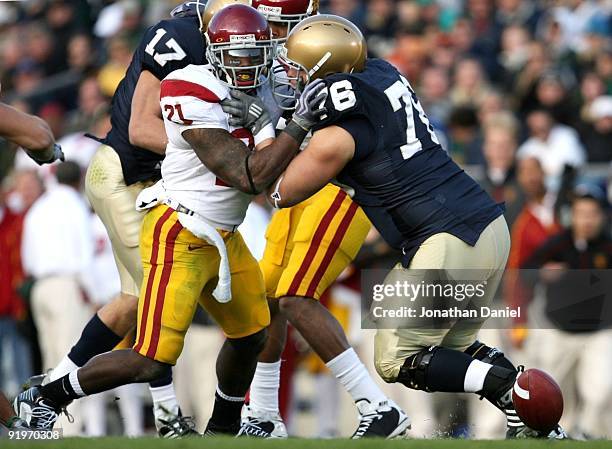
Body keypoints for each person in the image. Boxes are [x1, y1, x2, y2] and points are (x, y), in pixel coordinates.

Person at [226, 15, 567, 439]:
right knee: (455, 350)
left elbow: (279, 188)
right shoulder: (381, 72)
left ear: (324, 75)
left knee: (394, 358)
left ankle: (510, 388)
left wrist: (273, 129)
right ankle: (537, 422)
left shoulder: (339, 136)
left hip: (445, 239)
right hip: (486, 227)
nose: (289, 79)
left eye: (297, 70)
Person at [14, 4, 326, 437]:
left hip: (224, 234)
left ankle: (223, 429)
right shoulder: (189, 87)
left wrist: (280, 122)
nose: (247, 66)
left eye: (256, 54)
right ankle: (47, 397)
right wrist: (285, 127)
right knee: (151, 358)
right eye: (236, 57)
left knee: (253, 333)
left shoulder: (263, 86)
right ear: (212, 52)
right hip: (181, 233)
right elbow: (249, 175)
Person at [38, 0, 246, 437]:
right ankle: (169, 418)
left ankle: (44, 395)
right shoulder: (185, 37)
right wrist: (216, 152)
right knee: (156, 300)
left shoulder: (224, 38)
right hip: (127, 175)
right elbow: (140, 130)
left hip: (147, 182)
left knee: (132, 303)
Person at [230, 0, 407, 440]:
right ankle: (265, 412)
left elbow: (310, 150)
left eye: (298, 62)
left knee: (295, 296)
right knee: (265, 296)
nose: (288, 69)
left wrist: (268, 125)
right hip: (304, 189)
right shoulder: (327, 71)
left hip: (340, 191)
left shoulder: (350, 91)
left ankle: (378, 406)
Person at [521, 185, 612, 438]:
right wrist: (543, 272)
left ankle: (589, 433)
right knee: (556, 394)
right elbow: (525, 271)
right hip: (559, 332)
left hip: (599, 333)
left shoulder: (608, 246)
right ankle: (563, 435)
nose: (587, 220)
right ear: (572, 214)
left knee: (601, 390)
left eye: (592, 213)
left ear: (602, 215)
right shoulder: (557, 244)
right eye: (581, 213)